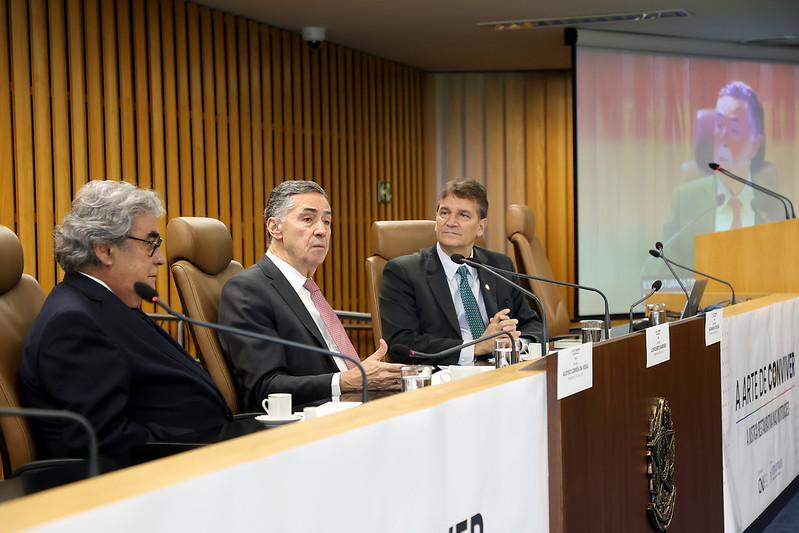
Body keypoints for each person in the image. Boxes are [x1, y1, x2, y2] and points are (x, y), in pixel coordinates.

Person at [19, 180, 231, 471]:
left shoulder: (111, 302)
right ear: (105, 250)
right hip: (157, 480)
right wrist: (211, 444)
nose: (159, 258)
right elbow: (107, 442)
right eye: (151, 243)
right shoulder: (73, 323)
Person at [218, 180, 402, 412]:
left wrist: (366, 375)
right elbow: (266, 387)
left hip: (349, 409)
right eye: (308, 219)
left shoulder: (308, 289)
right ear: (275, 228)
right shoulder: (248, 290)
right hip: (302, 428)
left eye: (326, 221)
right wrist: (346, 381)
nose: (322, 230)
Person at [380, 178, 543, 365]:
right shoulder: (403, 272)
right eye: (444, 213)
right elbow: (401, 343)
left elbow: (534, 325)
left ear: (481, 227)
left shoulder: (500, 265)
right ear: (436, 221)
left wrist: (513, 344)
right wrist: (476, 347)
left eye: (463, 215)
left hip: (499, 370)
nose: (450, 222)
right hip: (443, 378)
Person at [660, 81, 783, 268]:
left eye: (734, 129)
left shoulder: (778, 205)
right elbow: (663, 269)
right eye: (718, 126)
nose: (722, 137)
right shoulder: (684, 201)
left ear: (755, 145)